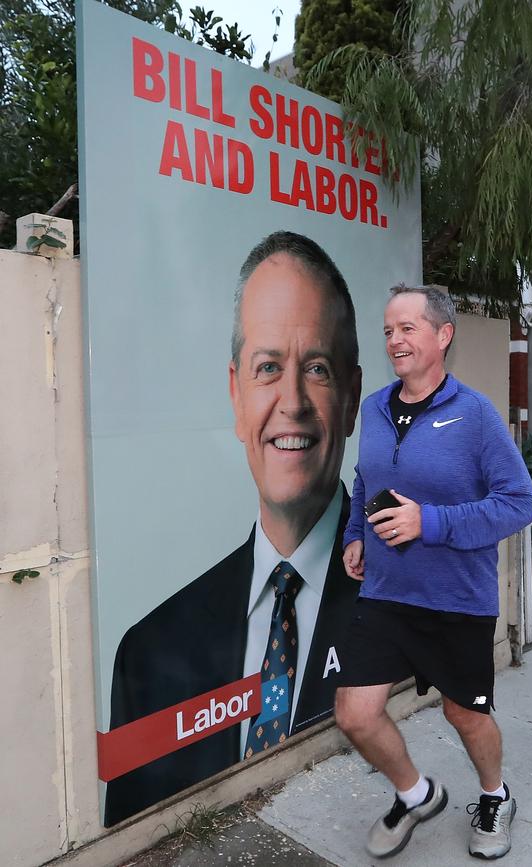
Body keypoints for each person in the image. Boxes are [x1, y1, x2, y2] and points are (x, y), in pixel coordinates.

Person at [104, 232, 362, 826]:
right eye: (268, 368)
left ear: (351, 397)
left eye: (317, 369)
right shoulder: (147, 653)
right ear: (236, 395)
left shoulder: (409, 603)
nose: (291, 401)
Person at [337, 284, 532, 860]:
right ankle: (417, 794)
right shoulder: (374, 407)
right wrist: (357, 535)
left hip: (456, 598)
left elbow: (518, 502)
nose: (394, 341)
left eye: (407, 329)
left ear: (442, 336)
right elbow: (365, 482)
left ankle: (496, 796)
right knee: (355, 713)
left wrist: (431, 523)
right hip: (387, 593)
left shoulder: (474, 414)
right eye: (388, 331)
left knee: (464, 714)